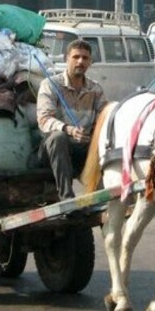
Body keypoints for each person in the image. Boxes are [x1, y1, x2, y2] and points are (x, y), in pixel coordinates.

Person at [36, 39, 107, 200]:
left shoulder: (95, 89)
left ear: (90, 62)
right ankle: (67, 198)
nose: (80, 61)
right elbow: (44, 119)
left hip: (82, 148)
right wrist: (69, 130)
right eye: (76, 57)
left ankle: (101, 198)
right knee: (58, 137)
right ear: (66, 59)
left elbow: (104, 116)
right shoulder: (50, 84)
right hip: (53, 150)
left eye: (85, 58)